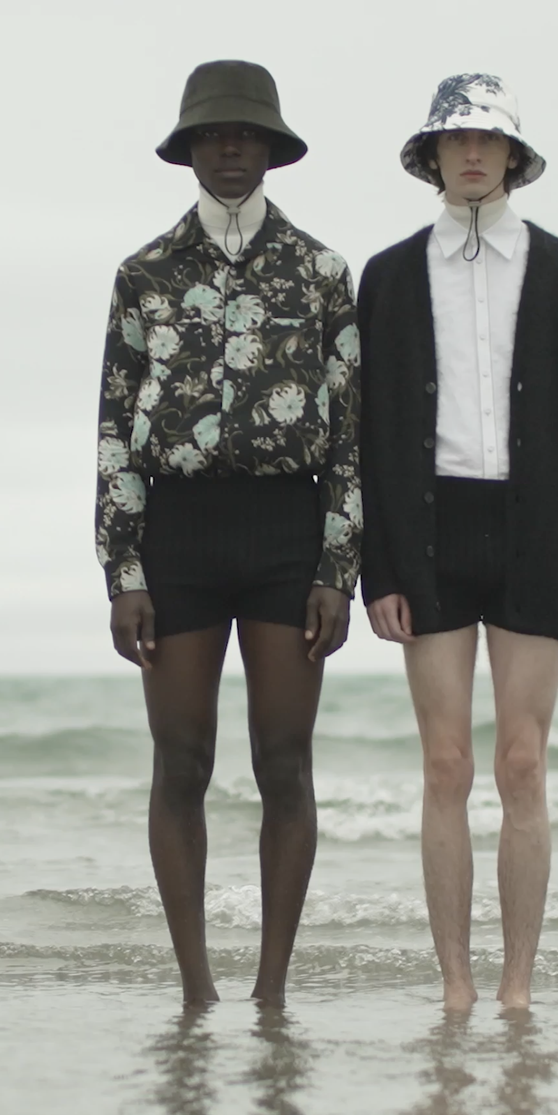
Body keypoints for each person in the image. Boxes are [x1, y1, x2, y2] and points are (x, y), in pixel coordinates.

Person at [94, 60, 361, 1009]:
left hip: (290, 535)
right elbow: (116, 428)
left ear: (275, 149)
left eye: (247, 135)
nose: (231, 149)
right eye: (213, 135)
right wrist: (124, 568)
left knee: (285, 763)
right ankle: (198, 990)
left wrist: (340, 564)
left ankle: (271, 992)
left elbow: (353, 433)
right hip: (178, 538)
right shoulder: (143, 275)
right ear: (189, 149)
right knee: (183, 763)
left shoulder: (324, 274)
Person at [356, 74, 558, 1011]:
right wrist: (377, 566)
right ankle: (456, 987)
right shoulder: (388, 276)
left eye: (488, 141)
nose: (472, 155)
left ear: (513, 156)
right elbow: (369, 431)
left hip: (536, 532)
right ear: (430, 157)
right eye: (454, 141)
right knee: (445, 765)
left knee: (521, 762)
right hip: (429, 534)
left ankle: (516, 987)